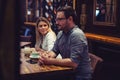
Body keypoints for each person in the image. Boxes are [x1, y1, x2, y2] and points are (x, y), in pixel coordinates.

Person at [39, 6, 92, 80]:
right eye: (56, 19)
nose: (57, 22)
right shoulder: (61, 33)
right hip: (67, 72)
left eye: (60, 19)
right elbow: (54, 51)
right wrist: (47, 56)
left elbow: (73, 63)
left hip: (79, 76)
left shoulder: (77, 34)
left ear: (70, 19)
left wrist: (50, 61)